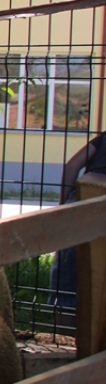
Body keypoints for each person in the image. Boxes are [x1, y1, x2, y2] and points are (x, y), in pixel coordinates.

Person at [49, 130, 106, 310]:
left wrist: (63, 207)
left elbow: (72, 165)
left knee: (67, 276)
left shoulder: (104, 138)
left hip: (84, 199)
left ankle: (62, 320)